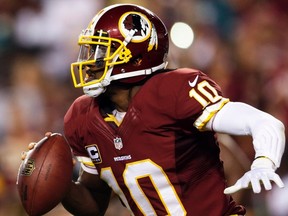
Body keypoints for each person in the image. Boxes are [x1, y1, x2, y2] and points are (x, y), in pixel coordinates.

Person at [23, 3, 285, 216]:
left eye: (103, 52)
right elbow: (94, 205)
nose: (90, 62)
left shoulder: (173, 91)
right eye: (91, 50)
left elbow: (265, 123)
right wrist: (61, 184)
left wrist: (264, 161)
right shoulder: (82, 117)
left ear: (137, 58)